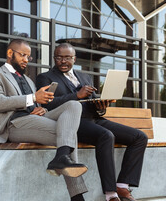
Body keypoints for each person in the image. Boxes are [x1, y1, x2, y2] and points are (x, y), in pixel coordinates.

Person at [36, 42, 148, 201]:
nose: (63, 61)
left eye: (67, 57)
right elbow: (47, 105)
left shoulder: (84, 76)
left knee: (139, 137)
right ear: (54, 58)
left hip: (95, 118)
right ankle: (111, 194)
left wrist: (101, 106)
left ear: (74, 59)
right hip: (73, 123)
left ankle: (122, 185)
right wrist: (77, 95)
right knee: (106, 136)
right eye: (59, 57)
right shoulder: (45, 77)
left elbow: (93, 102)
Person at [0, 39, 88, 201]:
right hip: (15, 124)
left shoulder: (28, 80)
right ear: (10, 53)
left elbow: (38, 104)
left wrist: (42, 108)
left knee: (73, 105)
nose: (26, 59)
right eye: (23, 55)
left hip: (35, 120)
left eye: (29, 57)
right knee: (68, 135)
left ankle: (62, 158)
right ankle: (77, 196)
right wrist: (33, 97)